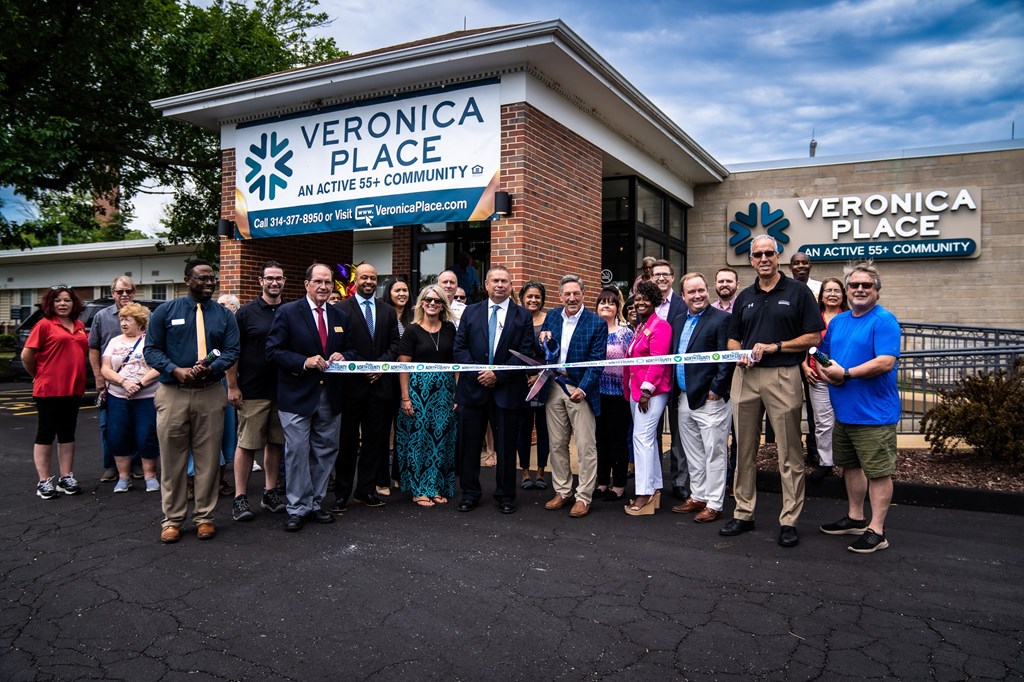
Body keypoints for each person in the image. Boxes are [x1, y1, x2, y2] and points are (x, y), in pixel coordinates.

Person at [722, 236, 823, 547]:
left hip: (783, 374)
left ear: (778, 256)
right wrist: (738, 352)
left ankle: (789, 518)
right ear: (751, 260)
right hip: (746, 376)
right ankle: (743, 512)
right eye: (757, 254)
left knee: (790, 452)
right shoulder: (744, 296)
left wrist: (778, 346)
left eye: (769, 253)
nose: (763, 258)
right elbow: (733, 337)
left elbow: (813, 335)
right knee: (744, 450)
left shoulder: (798, 291)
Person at [145, 259, 240, 543]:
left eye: (212, 278)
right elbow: (151, 350)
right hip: (173, 392)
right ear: (187, 280)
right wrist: (175, 370)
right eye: (202, 278)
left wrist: (212, 368)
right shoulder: (165, 311)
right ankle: (172, 520)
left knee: (208, 459)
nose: (209, 282)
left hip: (210, 391)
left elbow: (232, 351)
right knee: (173, 460)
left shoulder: (225, 315)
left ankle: (205, 517)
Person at [817, 261, 901, 553]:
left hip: (874, 414)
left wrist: (847, 374)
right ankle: (855, 517)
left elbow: (885, 362)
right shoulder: (839, 321)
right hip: (844, 411)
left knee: (878, 472)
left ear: (877, 290)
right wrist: (827, 372)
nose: (860, 289)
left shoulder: (884, 320)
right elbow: (822, 354)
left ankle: (877, 530)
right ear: (847, 290)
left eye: (867, 285)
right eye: (854, 285)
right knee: (850, 467)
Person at [266, 263, 357, 532]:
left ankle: (315, 503)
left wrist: (344, 356)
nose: (324, 287)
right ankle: (297, 507)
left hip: (330, 395)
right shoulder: (288, 312)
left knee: (325, 451)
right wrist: (304, 361)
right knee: (296, 452)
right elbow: (273, 351)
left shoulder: (340, 315)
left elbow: (352, 350)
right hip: (296, 395)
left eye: (328, 282)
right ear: (306, 284)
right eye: (318, 282)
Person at [453, 265, 534, 515]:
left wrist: (498, 375)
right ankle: (470, 493)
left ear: (511, 286)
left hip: (507, 391)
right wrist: (480, 373)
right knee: (469, 446)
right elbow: (460, 349)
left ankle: (506, 495)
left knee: (506, 448)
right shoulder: (470, 312)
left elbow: (525, 353)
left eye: (505, 281)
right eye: (495, 281)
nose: (500, 285)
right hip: (473, 390)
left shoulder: (523, 316)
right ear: (486, 285)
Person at [332, 263, 400, 512]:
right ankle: (341, 493)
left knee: (375, 441)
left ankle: (366, 491)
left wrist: (379, 366)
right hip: (351, 387)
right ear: (355, 281)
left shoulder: (387, 311)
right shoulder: (340, 309)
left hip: (379, 386)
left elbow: (395, 344)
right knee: (347, 442)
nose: (369, 281)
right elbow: (337, 345)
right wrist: (361, 367)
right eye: (364, 277)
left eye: (373, 277)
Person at [538, 275, 607, 519]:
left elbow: (598, 362)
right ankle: (563, 491)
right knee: (556, 443)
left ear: (583, 294)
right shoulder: (553, 316)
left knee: (586, 446)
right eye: (567, 294)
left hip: (580, 389)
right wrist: (542, 340)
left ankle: (583, 496)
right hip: (554, 384)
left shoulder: (596, 323)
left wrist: (584, 388)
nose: (572, 298)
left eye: (576, 293)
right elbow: (546, 352)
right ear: (560, 296)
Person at [669, 273, 735, 523]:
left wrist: (717, 388)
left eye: (701, 290)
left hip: (711, 399)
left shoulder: (722, 320)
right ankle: (698, 495)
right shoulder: (677, 321)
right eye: (691, 292)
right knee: (693, 451)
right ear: (683, 295)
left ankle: (715, 503)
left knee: (714, 452)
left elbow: (726, 357)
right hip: (685, 397)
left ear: (707, 291)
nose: (697, 296)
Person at [228, 261, 287, 522]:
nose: (274, 282)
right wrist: (232, 386)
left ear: (284, 281)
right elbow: (233, 353)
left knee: (275, 443)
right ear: (260, 281)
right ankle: (240, 498)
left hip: (284, 390)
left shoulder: (291, 310)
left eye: (279, 278)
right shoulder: (246, 314)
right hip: (252, 390)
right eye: (270, 278)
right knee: (247, 444)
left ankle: (270, 492)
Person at [23, 284, 89, 499]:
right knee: (46, 433)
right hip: (48, 389)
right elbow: (27, 355)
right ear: (50, 304)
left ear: (74, 303)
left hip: (73, 389)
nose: (62, 304)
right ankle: (44, 481)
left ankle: (65, 477)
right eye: (58, 300)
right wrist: (39, 375)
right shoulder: (44, 325)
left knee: (67, 433)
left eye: (67, 300)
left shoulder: (79, 325)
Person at [396, 284, 458, 507]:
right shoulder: (412, 331)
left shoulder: (450, 329)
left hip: (445, 393)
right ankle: (419, 488)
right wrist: (405, 398)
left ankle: (437, 486)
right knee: (419, 440)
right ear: (421, 303)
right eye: (428, 300)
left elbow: (456, 364)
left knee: (442, 441)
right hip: (417, 392)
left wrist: (457, 394)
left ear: (443, 305)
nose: (432, 303)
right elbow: (403, 367)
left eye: (437, 300)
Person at [622, 280, 672, 516]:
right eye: (637, 299)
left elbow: (657, 360)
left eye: (645, 298)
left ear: (655, 301)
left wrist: (646, 391)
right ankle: (654, 488)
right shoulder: (641, 327)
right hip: (636, 392)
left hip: (650, 393)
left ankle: (645, 493)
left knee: (641, 439)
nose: (640, 302)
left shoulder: (660, 326)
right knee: (646, 439)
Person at [100, 302, 160, 493]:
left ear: (140, 322)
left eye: (128, 319)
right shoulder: (114, 342)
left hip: (147, 397)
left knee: (147, 436)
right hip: (118, 397)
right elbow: (105, 369)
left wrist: (139, 384)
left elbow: (158, 367)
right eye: (122, 319)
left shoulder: (151, 341)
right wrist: (125, 382)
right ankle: (123, 478)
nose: (124, 323)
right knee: (118, 436)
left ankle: (150, 476)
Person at [88, 275, 140, 483]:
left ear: (134, 292)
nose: (125, 295)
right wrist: (98, 377)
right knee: (108, 425)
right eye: (120, 292)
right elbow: (93, 347)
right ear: (113, 294)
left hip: (139, 383)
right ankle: (111, 466)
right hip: (110, 382)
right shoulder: (102, 316)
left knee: (137, 423)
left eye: (128, 291)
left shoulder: (145, 315)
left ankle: (135, 464)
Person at [802, 277, 849, 482]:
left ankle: (848, 463)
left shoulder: (849, 317)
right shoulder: (814, 317)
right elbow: (806, 344)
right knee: (823, 423)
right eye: (827, 290)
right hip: (817, 378)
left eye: (836, 290)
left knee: (845, 421)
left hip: (845, 379)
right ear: (821, 295)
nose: (832, 294)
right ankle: (826, 462)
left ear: (843, 295)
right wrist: (804, 366)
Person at [650, 259, 689, 503]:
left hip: (675, 379)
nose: (661, 278)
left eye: (665, 274)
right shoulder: (645, 303)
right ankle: (653, 481)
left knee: (678, 434)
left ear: (673, 277)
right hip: (650, 380)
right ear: (650, 278)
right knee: (649, 433)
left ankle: (680, 482)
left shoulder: (683, 304)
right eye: (656, 275)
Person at [594, 287, 633, 501]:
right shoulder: (592, 331)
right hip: (596, 394)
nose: (606, 305)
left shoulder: (626, 333)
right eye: (602, 302)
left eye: (610, 302)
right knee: (600, 440)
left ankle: (618, 485)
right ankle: (601, 483)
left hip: (619, 395)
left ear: (617, 307)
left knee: (618, 440)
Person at [516, 281, 550, 490]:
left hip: (546, 380)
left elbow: (555, 351)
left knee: (545, 429)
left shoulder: (550, 320)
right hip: (521, 381)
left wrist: (540, 375)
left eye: (537, 296)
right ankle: (525, 472)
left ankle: (541, 472)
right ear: (522, 298)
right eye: (529, 296)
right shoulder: (516, 318)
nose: (533, 300)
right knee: (524, 428)